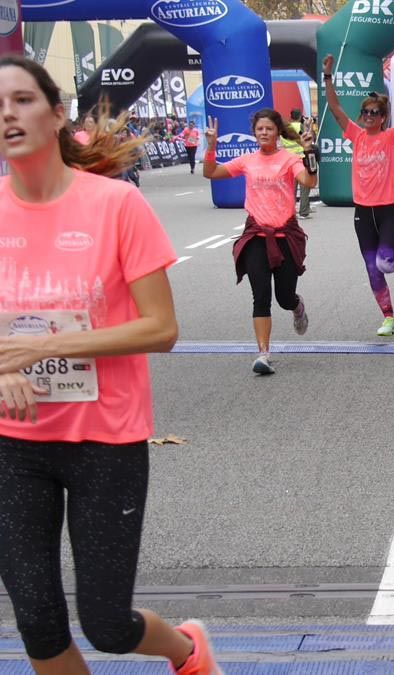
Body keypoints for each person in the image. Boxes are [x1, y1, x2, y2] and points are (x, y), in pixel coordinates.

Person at [0, 54, 220, 675]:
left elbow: (162, 328)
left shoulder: (116, 207)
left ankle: (188, 649)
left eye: (21, 100)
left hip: (105, 438)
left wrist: (40, 348)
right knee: (38, 623)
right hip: (12, 441)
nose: (8, 115)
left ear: (56, 114)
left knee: (106, 625)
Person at [203, 109, 317, 374]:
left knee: (284, 297)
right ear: (254, 133)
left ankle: (297, 306)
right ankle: (263, 354)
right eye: (259, 129)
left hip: (285, 237)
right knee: (261, 295)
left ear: (277, 132)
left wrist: (310, 152)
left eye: (268, 129)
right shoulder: (247, 160)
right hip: (256, 236)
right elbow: (212, 173)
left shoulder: (289, 159)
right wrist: (211, 147)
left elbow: (309, 181)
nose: (264, 133)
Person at [322, 55, 394, 337]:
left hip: (389, 210)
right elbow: (334, 107)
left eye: (374, 112)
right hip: (363, 212)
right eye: (365, 111)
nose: (369, 116)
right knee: (372, 269)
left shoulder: (391, 137)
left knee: (385, 263)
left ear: (383, 117)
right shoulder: (355, 135)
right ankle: (389, 317)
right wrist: (328, 76)